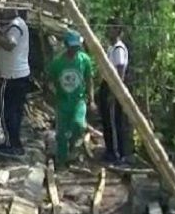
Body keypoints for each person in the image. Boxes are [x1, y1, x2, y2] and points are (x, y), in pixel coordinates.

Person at [0, 9, 31, 157]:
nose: (2, 11)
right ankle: (15, 143)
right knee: (15, 112)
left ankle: (11, 144)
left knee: (7, 112)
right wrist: (0, 32)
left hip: (11, 76)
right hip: (19, 75)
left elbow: (10, 44)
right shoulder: (16, 24)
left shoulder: (16, 26)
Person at [48, 30, 96, 168]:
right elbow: (49, 82)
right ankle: (62, 160)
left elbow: (89, 80)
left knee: (78, 125)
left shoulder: (84, 60)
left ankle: (73, 145)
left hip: (79, 101)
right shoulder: (57, 63)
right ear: (67, 45)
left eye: (76, 46)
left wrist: (92, 100)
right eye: (72, 46)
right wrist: (53, 93)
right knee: (61, 133)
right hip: (62, 102)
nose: (74, 49)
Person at [98, 18, 130, 164]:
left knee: (114, 121)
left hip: (113, 87)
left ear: (117, 30)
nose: (108, 31)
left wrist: (114, 91)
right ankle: (110, 150)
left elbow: (120, 71)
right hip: (107, 84)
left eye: (111, 28)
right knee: (107, 120)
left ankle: (118, 154)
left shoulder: (119, 49)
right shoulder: (111, 48)